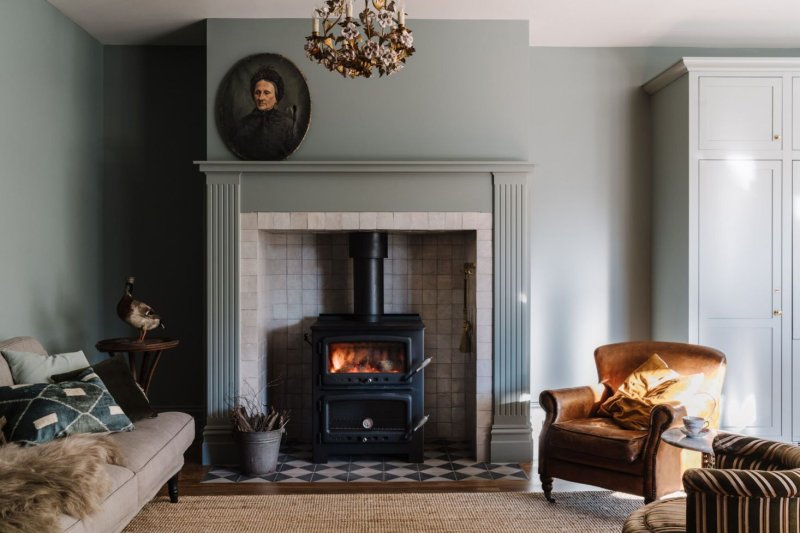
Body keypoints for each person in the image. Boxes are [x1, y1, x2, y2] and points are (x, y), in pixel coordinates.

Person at [232, 67, 296, 160]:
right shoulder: (242, 125)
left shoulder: (289, 126)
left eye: (267, 92)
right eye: (257, 92)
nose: (261, 98)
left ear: (276, 97)